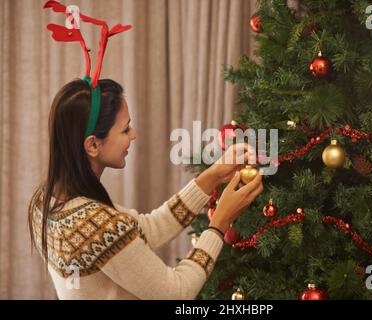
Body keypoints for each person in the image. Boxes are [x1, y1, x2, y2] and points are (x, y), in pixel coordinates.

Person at [28, 78, 263, 299]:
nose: (133, 135)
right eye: (125, 129)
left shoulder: (46, 201)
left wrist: (212, 176)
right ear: (92, 144)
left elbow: (147, 229)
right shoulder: (95, 223)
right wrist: (220, 223)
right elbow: (176, 292)